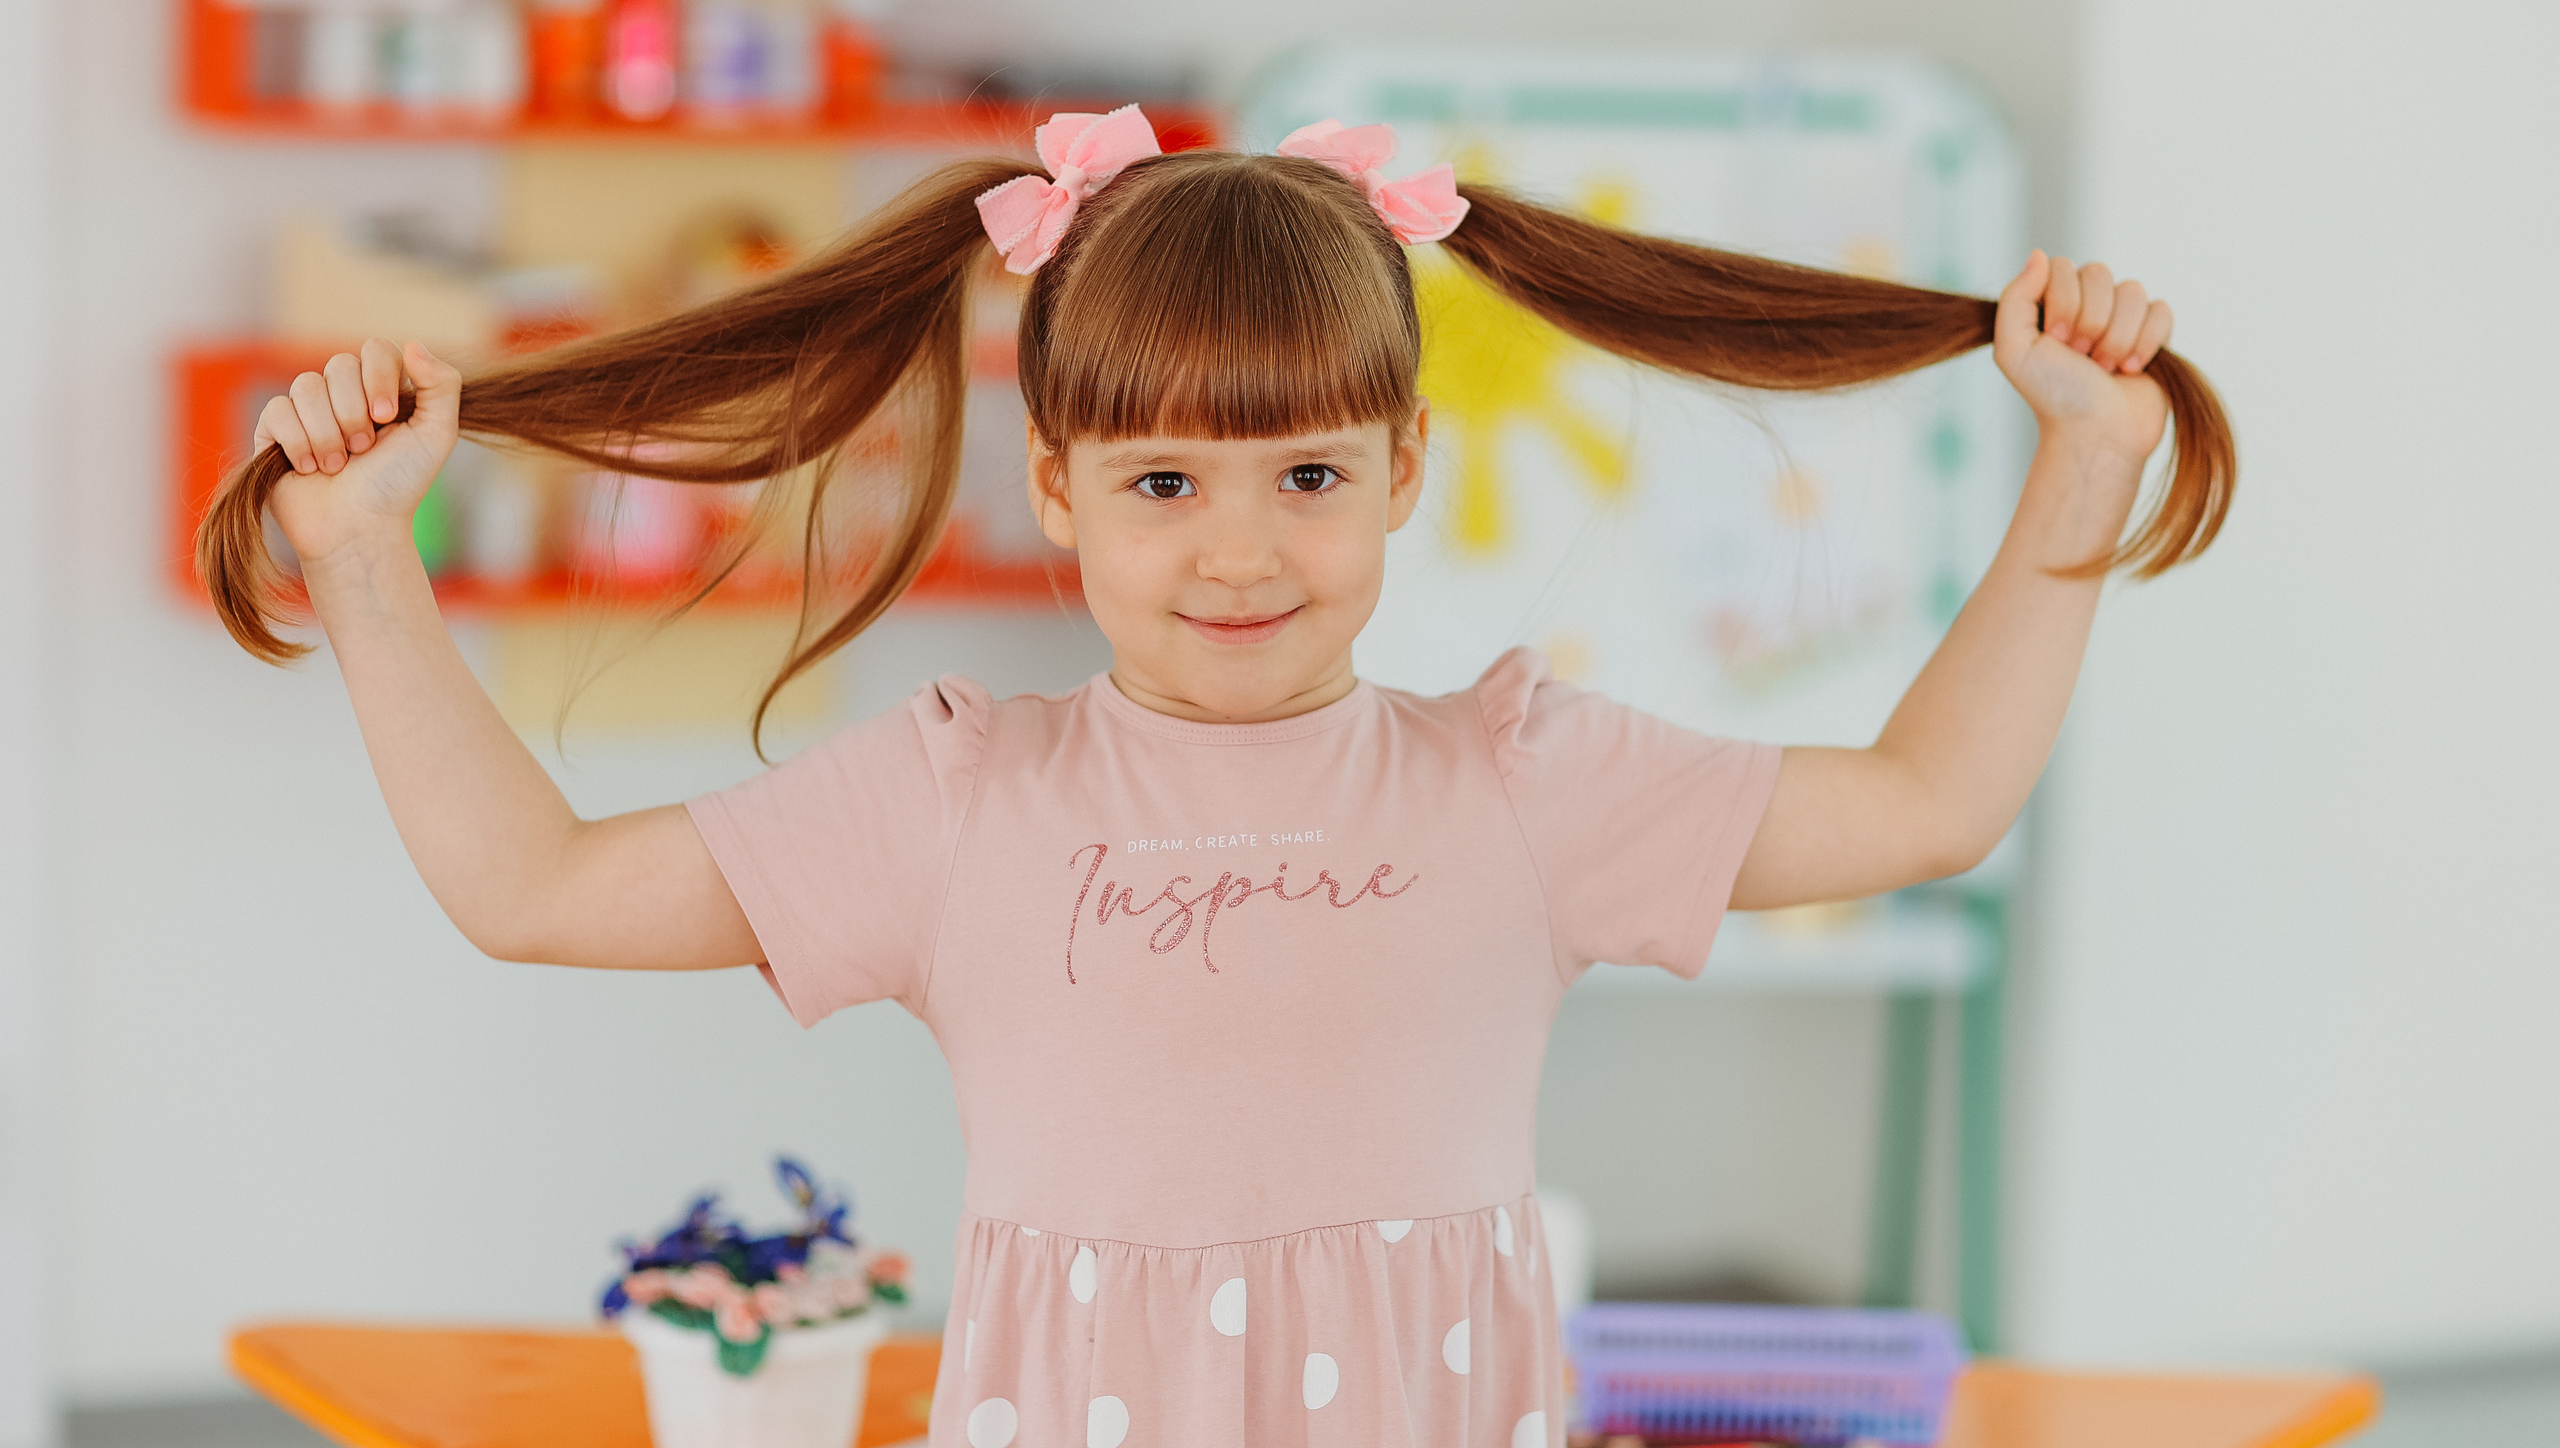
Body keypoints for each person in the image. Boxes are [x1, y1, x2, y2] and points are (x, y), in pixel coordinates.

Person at [198, 107, 2233, 1448]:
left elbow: (1920, 802)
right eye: (1165, 480)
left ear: (1403, 476)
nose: (1240, 548)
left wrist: (2080, 459)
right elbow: (530, 885)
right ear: (1061, 490)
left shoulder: (1521, 778)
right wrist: (366, 556)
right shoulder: (951, 796)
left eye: (1308, 477)